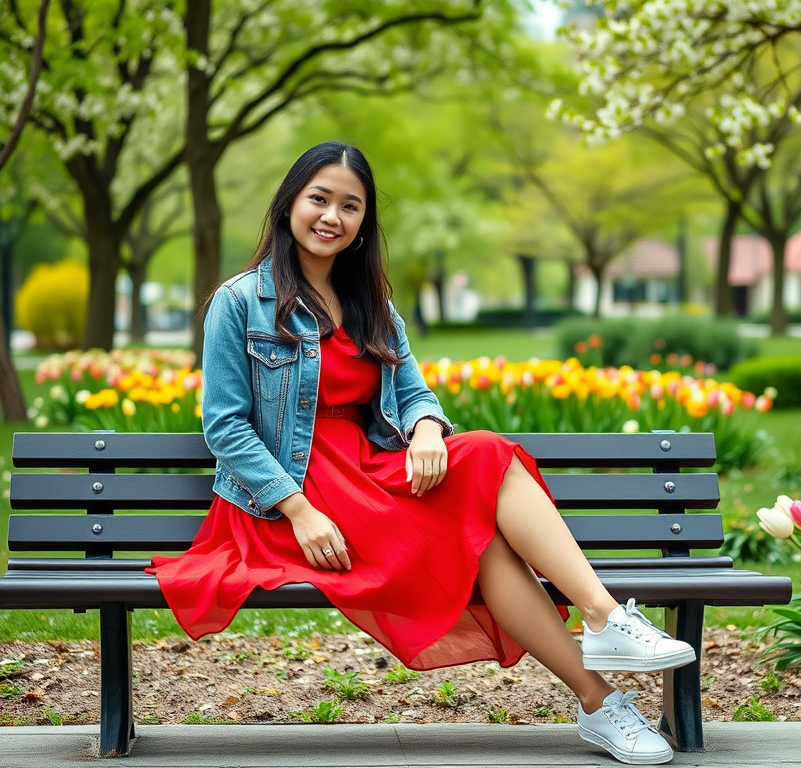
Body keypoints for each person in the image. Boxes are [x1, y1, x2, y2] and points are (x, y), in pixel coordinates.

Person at [149, 141, 695, 765]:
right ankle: (601, 679)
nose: (332, 216)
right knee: (481, 535)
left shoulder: (372, 306)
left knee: (486, 459)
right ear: (289, 205)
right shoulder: (240, 301)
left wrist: (430, 428)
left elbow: (412, 392)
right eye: (319, 199)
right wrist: (297, 510)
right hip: (290, 498)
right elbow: (225, 427)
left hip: (368, 475)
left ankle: (602, 639)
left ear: (362, 226)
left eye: (350, 206)